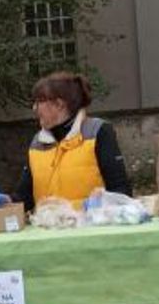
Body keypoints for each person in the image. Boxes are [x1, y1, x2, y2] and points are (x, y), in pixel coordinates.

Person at [11, 71, 130, 210]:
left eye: (39, 102)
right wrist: (5, 201)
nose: (34, 108)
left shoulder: (98, 132)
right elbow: (24, 198)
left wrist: (96, 206)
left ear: (59, 104)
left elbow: (121, 192)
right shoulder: (37, 143)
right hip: (47, 228)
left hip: (92, 228)